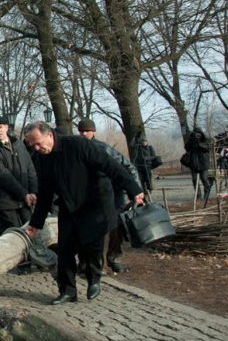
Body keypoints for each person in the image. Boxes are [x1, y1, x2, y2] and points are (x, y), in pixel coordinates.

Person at [24, 121, 144, 305]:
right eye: (33, 145)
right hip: (69, 205)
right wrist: (35, 223)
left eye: (39, 143)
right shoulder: (41, 158)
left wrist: (134, 189)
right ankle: (68, 290)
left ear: (49, 135)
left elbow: (110, 165)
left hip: (94, 202)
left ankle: (94, 279)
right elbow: (45, 192)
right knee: (64, 250)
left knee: (91, 246)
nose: (37, 148)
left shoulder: (78, 144)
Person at [77, 119, 140, 274]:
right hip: (91, 195)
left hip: (114, 193)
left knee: (115, 227)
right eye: (81, 131)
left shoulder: (103, 149)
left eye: (87, 131)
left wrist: (136, 191)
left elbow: (128, 167)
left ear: (93, 131)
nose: (84, 134)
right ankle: (88, 262)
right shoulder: (77, 150)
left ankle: (114, 258)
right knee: (87, 228)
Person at [0, 116, 38, 238]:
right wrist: (23, 194)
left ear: (6, 127)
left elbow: (30, 169)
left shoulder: (18, 144)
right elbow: (3, 177)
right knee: (11, 237)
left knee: (31, 235)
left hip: (26, 200)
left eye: (0, 127)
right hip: (5, 202)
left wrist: (33, 192)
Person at [184, 127, 212, 200]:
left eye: (199, 134)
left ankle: (207, 193)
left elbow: (207, 148)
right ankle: (198, 195)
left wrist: (199, 143)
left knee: (204, 178)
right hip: (194, 163)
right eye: (196, 134)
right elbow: (186, 148)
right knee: (195, 179)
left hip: (203, 162)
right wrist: (192, 139)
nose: (198, 136)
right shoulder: (191, 141)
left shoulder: (205, 140)